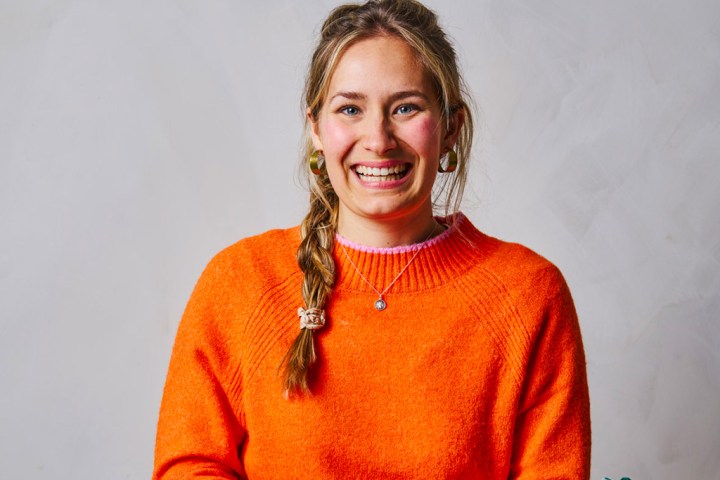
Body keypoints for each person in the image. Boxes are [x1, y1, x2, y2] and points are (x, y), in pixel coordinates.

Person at [152, 0, 591, 478]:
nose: (378, 138)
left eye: (406, 107)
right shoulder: (238, 283)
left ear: (450, 128)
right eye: (350, 109)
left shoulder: (528, 295)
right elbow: (191, 466)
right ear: (315, 128)